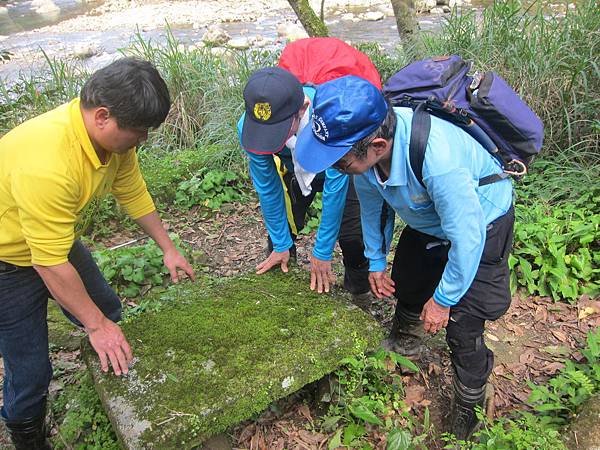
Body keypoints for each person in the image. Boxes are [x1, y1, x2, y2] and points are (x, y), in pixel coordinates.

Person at [294, 75, 515, 440]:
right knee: (408, 279)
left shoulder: (439, 160)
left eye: (339, 161)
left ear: (377, 144)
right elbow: (373, 206)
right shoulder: (364, 157)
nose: (335, 168)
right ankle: (408, 335)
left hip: (482, 220)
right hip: (429, 217)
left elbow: (468, 237)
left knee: (463, 323)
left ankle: (470, 402)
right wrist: (376, 260)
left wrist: (443, 301)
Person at [0, 57, 195, 449]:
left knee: (107, 309)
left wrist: (168, 247)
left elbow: (133, 192)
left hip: (52, 242)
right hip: (8, 262)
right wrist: (95, 326)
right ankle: (26, 434)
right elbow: (48, 263)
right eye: (138, 132)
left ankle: (110, 369)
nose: (141, 140)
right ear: (103, 116)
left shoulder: (112, 144)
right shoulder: (48, 162)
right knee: (31, 370)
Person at [238, 45, 379, 300]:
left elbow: (336, 188)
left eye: (280, 130)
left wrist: (323, 251)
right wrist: (281, 242)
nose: (272, 139)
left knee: (352, 235)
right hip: (292, 167)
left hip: (339, 167)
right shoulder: (250, 128)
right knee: (280, 237)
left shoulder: (331, 118)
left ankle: (360, 295)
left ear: (302, 109)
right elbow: (268, 187)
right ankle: (284, 285)